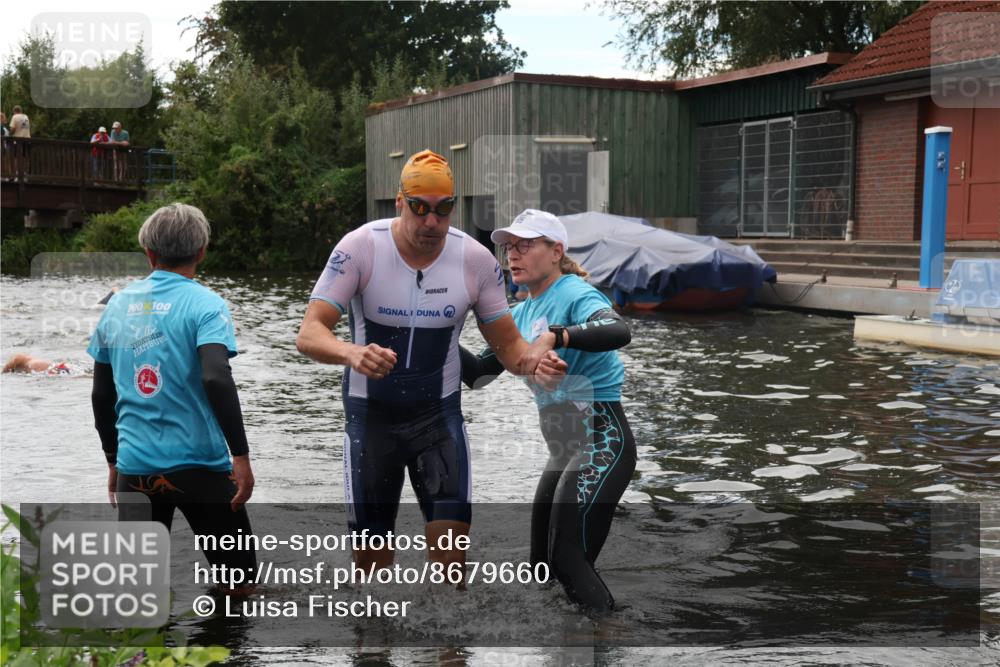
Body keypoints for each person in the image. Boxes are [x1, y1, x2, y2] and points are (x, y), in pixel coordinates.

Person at [296, 149, 561, 577]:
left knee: (452, 571)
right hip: (371, 424)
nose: (432, 222)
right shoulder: (360, 248)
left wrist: (537, 361)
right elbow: (309, 333)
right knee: (372, 576)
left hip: (437, 423)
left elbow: (511, 351)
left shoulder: (474, 261)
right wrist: (352, 353)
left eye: (443, 210)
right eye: (420, 209)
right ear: (400, 202)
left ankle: (450, 646)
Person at [459, 209, 636, 615]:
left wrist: (557, 336)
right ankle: (563, 647)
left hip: (602, 442)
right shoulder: (517, 316)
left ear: (556, 251)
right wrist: (429, 327)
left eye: (525, 245)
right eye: (508, 248)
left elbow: (618, 331)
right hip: (563, 455)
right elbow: (479, 375)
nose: (512, 256)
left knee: (568, 561)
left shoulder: (574, 292)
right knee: (541, 570)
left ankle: (612, 640)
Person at [87, 202, 256, 582]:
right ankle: (225, 641)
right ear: (201, 252)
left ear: (148, 253)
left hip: (137, 470)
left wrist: (113, 460)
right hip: (202, 470)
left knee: (140, 598)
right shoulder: (207, 305)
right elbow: (216, 378)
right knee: (239, 586)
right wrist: (241, 456)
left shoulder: (115, 309)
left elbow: (101, 395)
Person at [3, 354, 70, 375]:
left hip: (38, 367)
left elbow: (6, 369)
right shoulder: (27, 359)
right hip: (49, 365)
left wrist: (3, 373)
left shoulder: (18, 358)